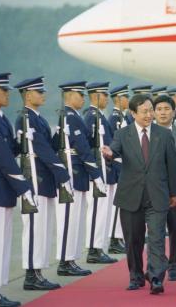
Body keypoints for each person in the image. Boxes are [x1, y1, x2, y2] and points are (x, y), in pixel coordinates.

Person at [102, 94, 176, 295]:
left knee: (157, 238)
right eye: (144, 111)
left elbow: (171, 166)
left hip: (157, 194)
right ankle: (136, 276)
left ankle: (155, 278)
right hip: (130, 195)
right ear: (133, 113)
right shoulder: (122, 134)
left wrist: (173, 192)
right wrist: (108, 153)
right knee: (133, 240)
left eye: (150, 110)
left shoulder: (164, 134)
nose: (149, 114)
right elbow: (114, 151)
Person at [14, 77, 73, 291]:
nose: (43, 95)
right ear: (28, 95)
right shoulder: (25, 118)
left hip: (44, 180)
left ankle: (37, 272)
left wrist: (60, 132)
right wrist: (62, 173)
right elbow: (41, 148)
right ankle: (31, 274)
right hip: (35, 179)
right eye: (39, 92)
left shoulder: (37, 118)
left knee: (44, 228)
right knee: (35, 228)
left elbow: (50, 145)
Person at [0, 73, 32, 307]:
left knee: (1, 240)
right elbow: (1, 156)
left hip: (1, 187)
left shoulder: (0, 117)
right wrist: (23, 185)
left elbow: (10, 149)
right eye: (3, 90)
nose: (7, 94)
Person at [53, 81, 105, 277]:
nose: (83, 98)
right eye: (80, 95)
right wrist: (96, 174)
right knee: (69, 219)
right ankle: (65, 262)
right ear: (69, 95)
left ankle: (71, 259)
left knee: (75, 219)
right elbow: (82, 148)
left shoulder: (73, 116)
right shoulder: (69, 117)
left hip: (78, 174)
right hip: (72, 174)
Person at [151, 94, 176, 281]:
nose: (163, 113)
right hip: (153, 190)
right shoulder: (147, 133)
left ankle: (174, 265)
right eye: (159, 109)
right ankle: (156, 265)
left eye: (166, 109)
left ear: (174, 111)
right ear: (154, 112)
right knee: (155, 231)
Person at [83, 82, 118, 264]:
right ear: (95, 96)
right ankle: (93, 250)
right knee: (96, 210)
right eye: (104, 94)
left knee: (102, 210)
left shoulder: (100, 116)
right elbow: (87, 145)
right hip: (96, 170)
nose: (107, 98)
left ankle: (98, 247)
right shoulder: (91, 116)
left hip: (105, 168)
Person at [107, 85, 131, 254]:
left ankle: (119, 237)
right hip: (118, 166)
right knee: (116, 205)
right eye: (125, 97)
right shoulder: (114, 118)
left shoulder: (122, 116)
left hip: (124, 165)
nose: (127, 100)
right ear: (117, 99)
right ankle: (115, 239)